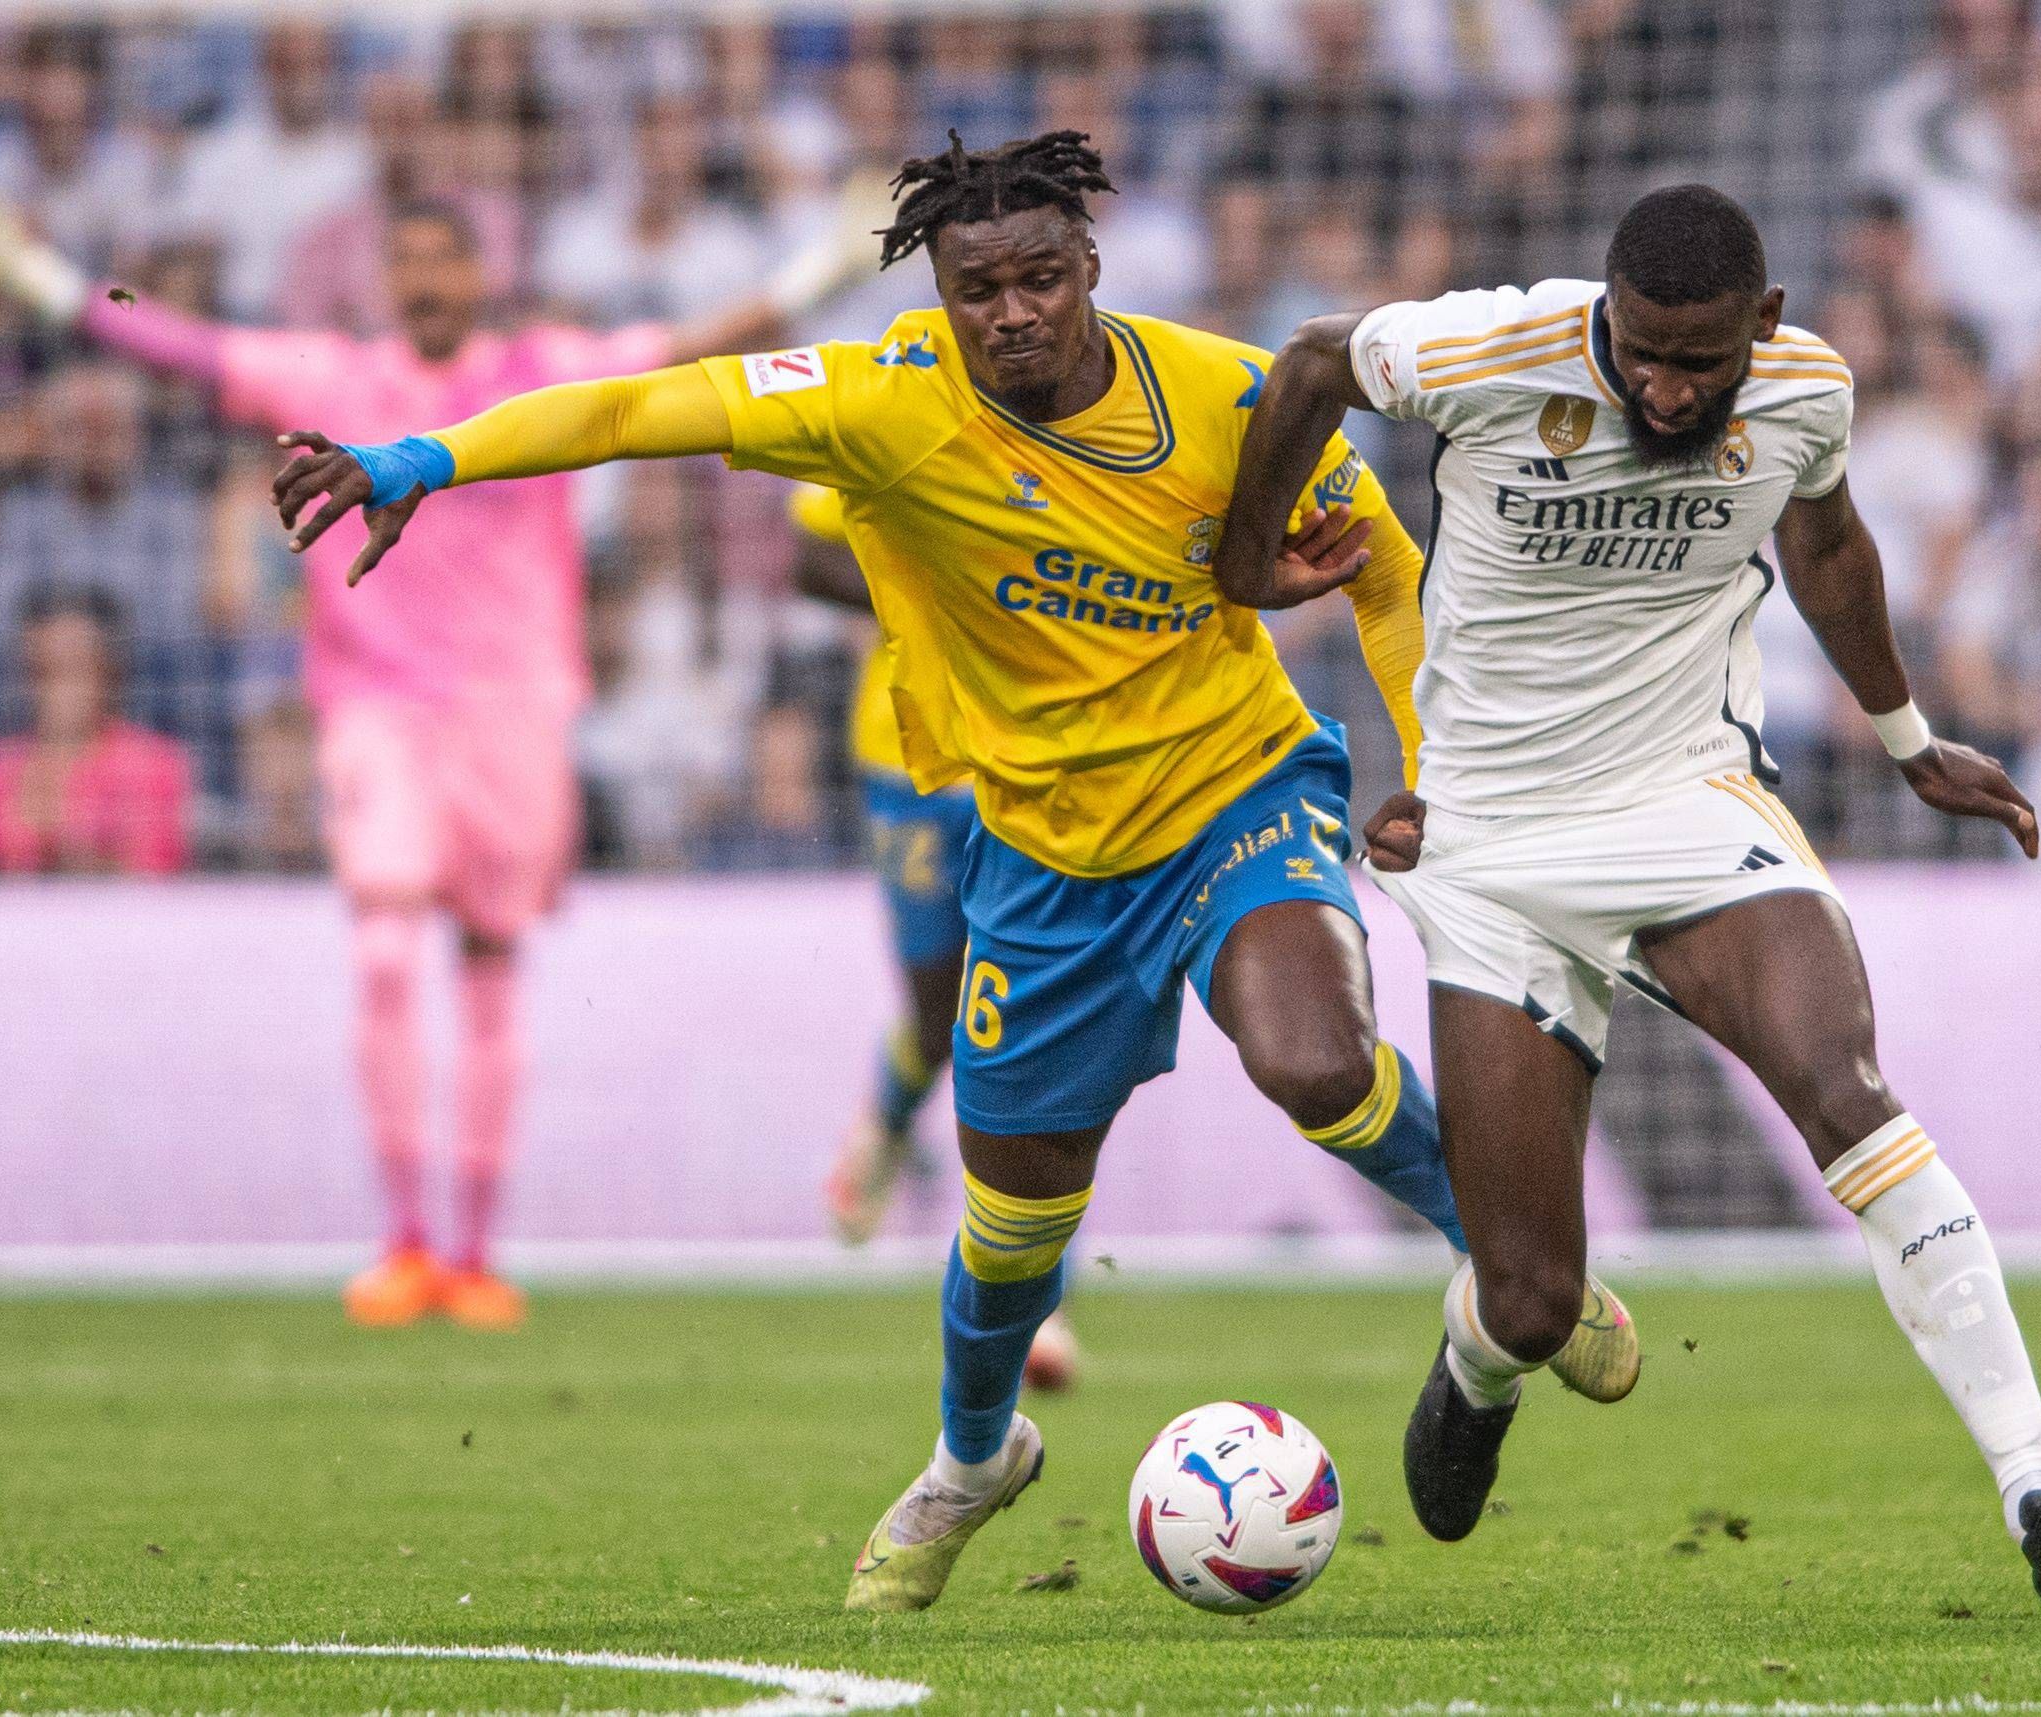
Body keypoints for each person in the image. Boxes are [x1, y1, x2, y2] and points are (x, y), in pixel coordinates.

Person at [257, 130, 1640, 1612]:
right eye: (979, 287)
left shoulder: (1234, 396)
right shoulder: (881, 399)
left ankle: (1511, 1265)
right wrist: (427, 456)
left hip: (1237, 783)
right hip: (1044, 855)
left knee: (1313, 1058)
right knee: (1012, 1231)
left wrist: (1430, 760)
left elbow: (1382, 569)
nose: (1014, 313)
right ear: (940, 287)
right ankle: (975, 1460)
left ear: (1091, 270)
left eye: (1042, 278)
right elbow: (632, 408)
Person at [1218, 184, 2041, 1616]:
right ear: (1603, 305)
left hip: (1689, 805)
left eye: (1697, 364)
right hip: (1492, 852)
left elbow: (1827, 548)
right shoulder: (1485, 351)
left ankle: (2040, 1495)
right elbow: (1302, 365)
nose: (1665, 388)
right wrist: (1244, 560)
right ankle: (1479, 1356)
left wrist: (1911, 744)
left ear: (1760, 326)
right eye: (1640, 352)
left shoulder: (1804, 389)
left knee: (1847, 1088)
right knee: (1535, 1299)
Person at [0, 186, 882, 1330]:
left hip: (515, 707)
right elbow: (184, 347)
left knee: (489, 962)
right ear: (381, 278)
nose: (420, 279)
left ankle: (471, 1251)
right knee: (378, 947)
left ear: (477, 275)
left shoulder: (541, 370)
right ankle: (403, 1240)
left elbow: (692, 349)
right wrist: (45, 283)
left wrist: (824, 271)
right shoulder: (331, 378)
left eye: (440, 259)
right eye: (402, 258)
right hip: (378, 708)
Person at [788, 482, 1078, 1392]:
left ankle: (1040, 1300)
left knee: (1026, 1023)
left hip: (1038, 758)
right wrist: (939, 582)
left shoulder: (1079, 425)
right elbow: (808, 558)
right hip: (907, 756)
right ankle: (883, 1118)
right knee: (935, 1010)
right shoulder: (896, 408)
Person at [0, 588, 191, 877]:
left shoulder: (153, 763)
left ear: (110, 672)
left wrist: (58, 837)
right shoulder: (4, 766)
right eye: (43, 670)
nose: (59, 688)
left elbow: (152, 872)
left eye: (75, 667)